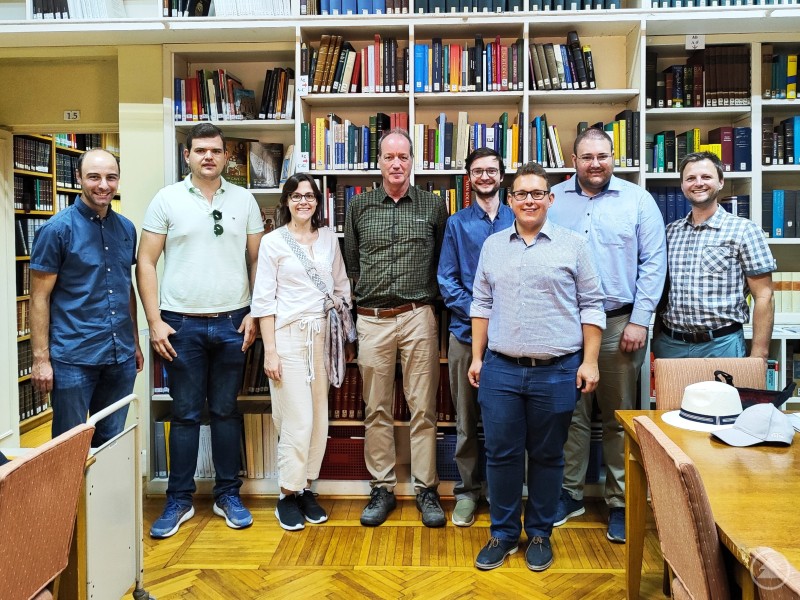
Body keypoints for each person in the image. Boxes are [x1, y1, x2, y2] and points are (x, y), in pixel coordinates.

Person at [468, 161, 605, 572]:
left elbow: (592, 305)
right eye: (521, 193)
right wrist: (477, 357)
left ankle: (541, 534)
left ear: (550, 198)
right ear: (510, 201)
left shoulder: (573, 244)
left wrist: (591, 362)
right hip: (502, 369)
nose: (529, 200)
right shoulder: (493, 245)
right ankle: (504, 533)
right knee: (501, 455)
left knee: (548, 457)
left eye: (536, 193)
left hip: (558, 370)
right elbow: (481, 304)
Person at [138, 123, 264, 539]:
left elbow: (257, 262)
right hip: (180, 325)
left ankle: (229, 495)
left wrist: (256, 313)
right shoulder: (167, 199)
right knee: (186, 414)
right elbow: (146, 262)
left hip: (233, 321)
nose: (208, 157)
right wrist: (155, 321)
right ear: (187, 156)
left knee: (227, 411)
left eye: (215, 150)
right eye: (199, 150)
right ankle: (179, 500)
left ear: (227, 157)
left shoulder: (244, 199)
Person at [548, 127, 666, 544]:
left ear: (613, 156)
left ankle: (620, 503)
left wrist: (640, 319)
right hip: (565, 324)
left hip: (620, 324)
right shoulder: (554, 200)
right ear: (573, 160)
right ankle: (570, 494)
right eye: (586, 157)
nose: (594, 163)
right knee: (571, 415)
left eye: (602, 156)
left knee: (619, 418)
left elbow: (654, 263)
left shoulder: (638, 201)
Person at [344, 128, 448, 528]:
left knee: (424, 407)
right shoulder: (359, 207)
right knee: (377, 408)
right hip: (371, 320)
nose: (397, 164)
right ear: (380, 162)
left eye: (403, 157)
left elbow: (442, 260)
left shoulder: (433, 206)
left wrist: (425, 300)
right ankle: (383, 488)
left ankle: (426, 489)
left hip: (419, 314)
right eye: (389, 157)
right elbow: (352, 262)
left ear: (412, 161)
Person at [251, 173, 353, 531]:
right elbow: (264, 300)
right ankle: (286, 493)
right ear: (286, 201)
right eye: (296, 196)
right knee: (296, 420)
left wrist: (337, 317)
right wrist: (271, 352)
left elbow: (341, 284)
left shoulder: (327, 238)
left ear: (318, 202)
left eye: (309, 196)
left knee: (319, 418)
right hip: (289, 337)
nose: (303, 202)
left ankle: (307, 486)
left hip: (323, 339)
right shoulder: (273, 243)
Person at [29, 148, 143, 448]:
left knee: (112, 444)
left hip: (120, 358)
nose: (103, 185)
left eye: (111, 177)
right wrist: (41, 360)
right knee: (69, 447)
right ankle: (66, 498)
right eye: (94, 177)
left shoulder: (126, 229)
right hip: (73, 358)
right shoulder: (56, 230)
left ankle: (105, 499)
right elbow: (38, 298)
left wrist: (135, 341)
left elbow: (125, 287)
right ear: (78, 177)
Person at [437, 147, 514, 527]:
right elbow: (446, 280)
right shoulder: (457, 223)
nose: (485, 176)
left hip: (512, 340)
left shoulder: (520, 217)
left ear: (503, 175)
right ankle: (467, 492)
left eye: (491, 170)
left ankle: (505, 495)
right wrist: (480, 311)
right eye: (478, 171)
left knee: (506, 423)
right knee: (466, 422)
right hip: (466, 336)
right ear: (469, 177)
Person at [653, 151, 775, 359]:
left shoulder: (745, 231)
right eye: (690, 178)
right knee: (672, 394)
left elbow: (764, 296)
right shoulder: (669, 232)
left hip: (722, 345)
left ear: (720, 182)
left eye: (706, 177)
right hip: (671, 346)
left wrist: (759, 355)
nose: (698, 183)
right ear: (682, 185)